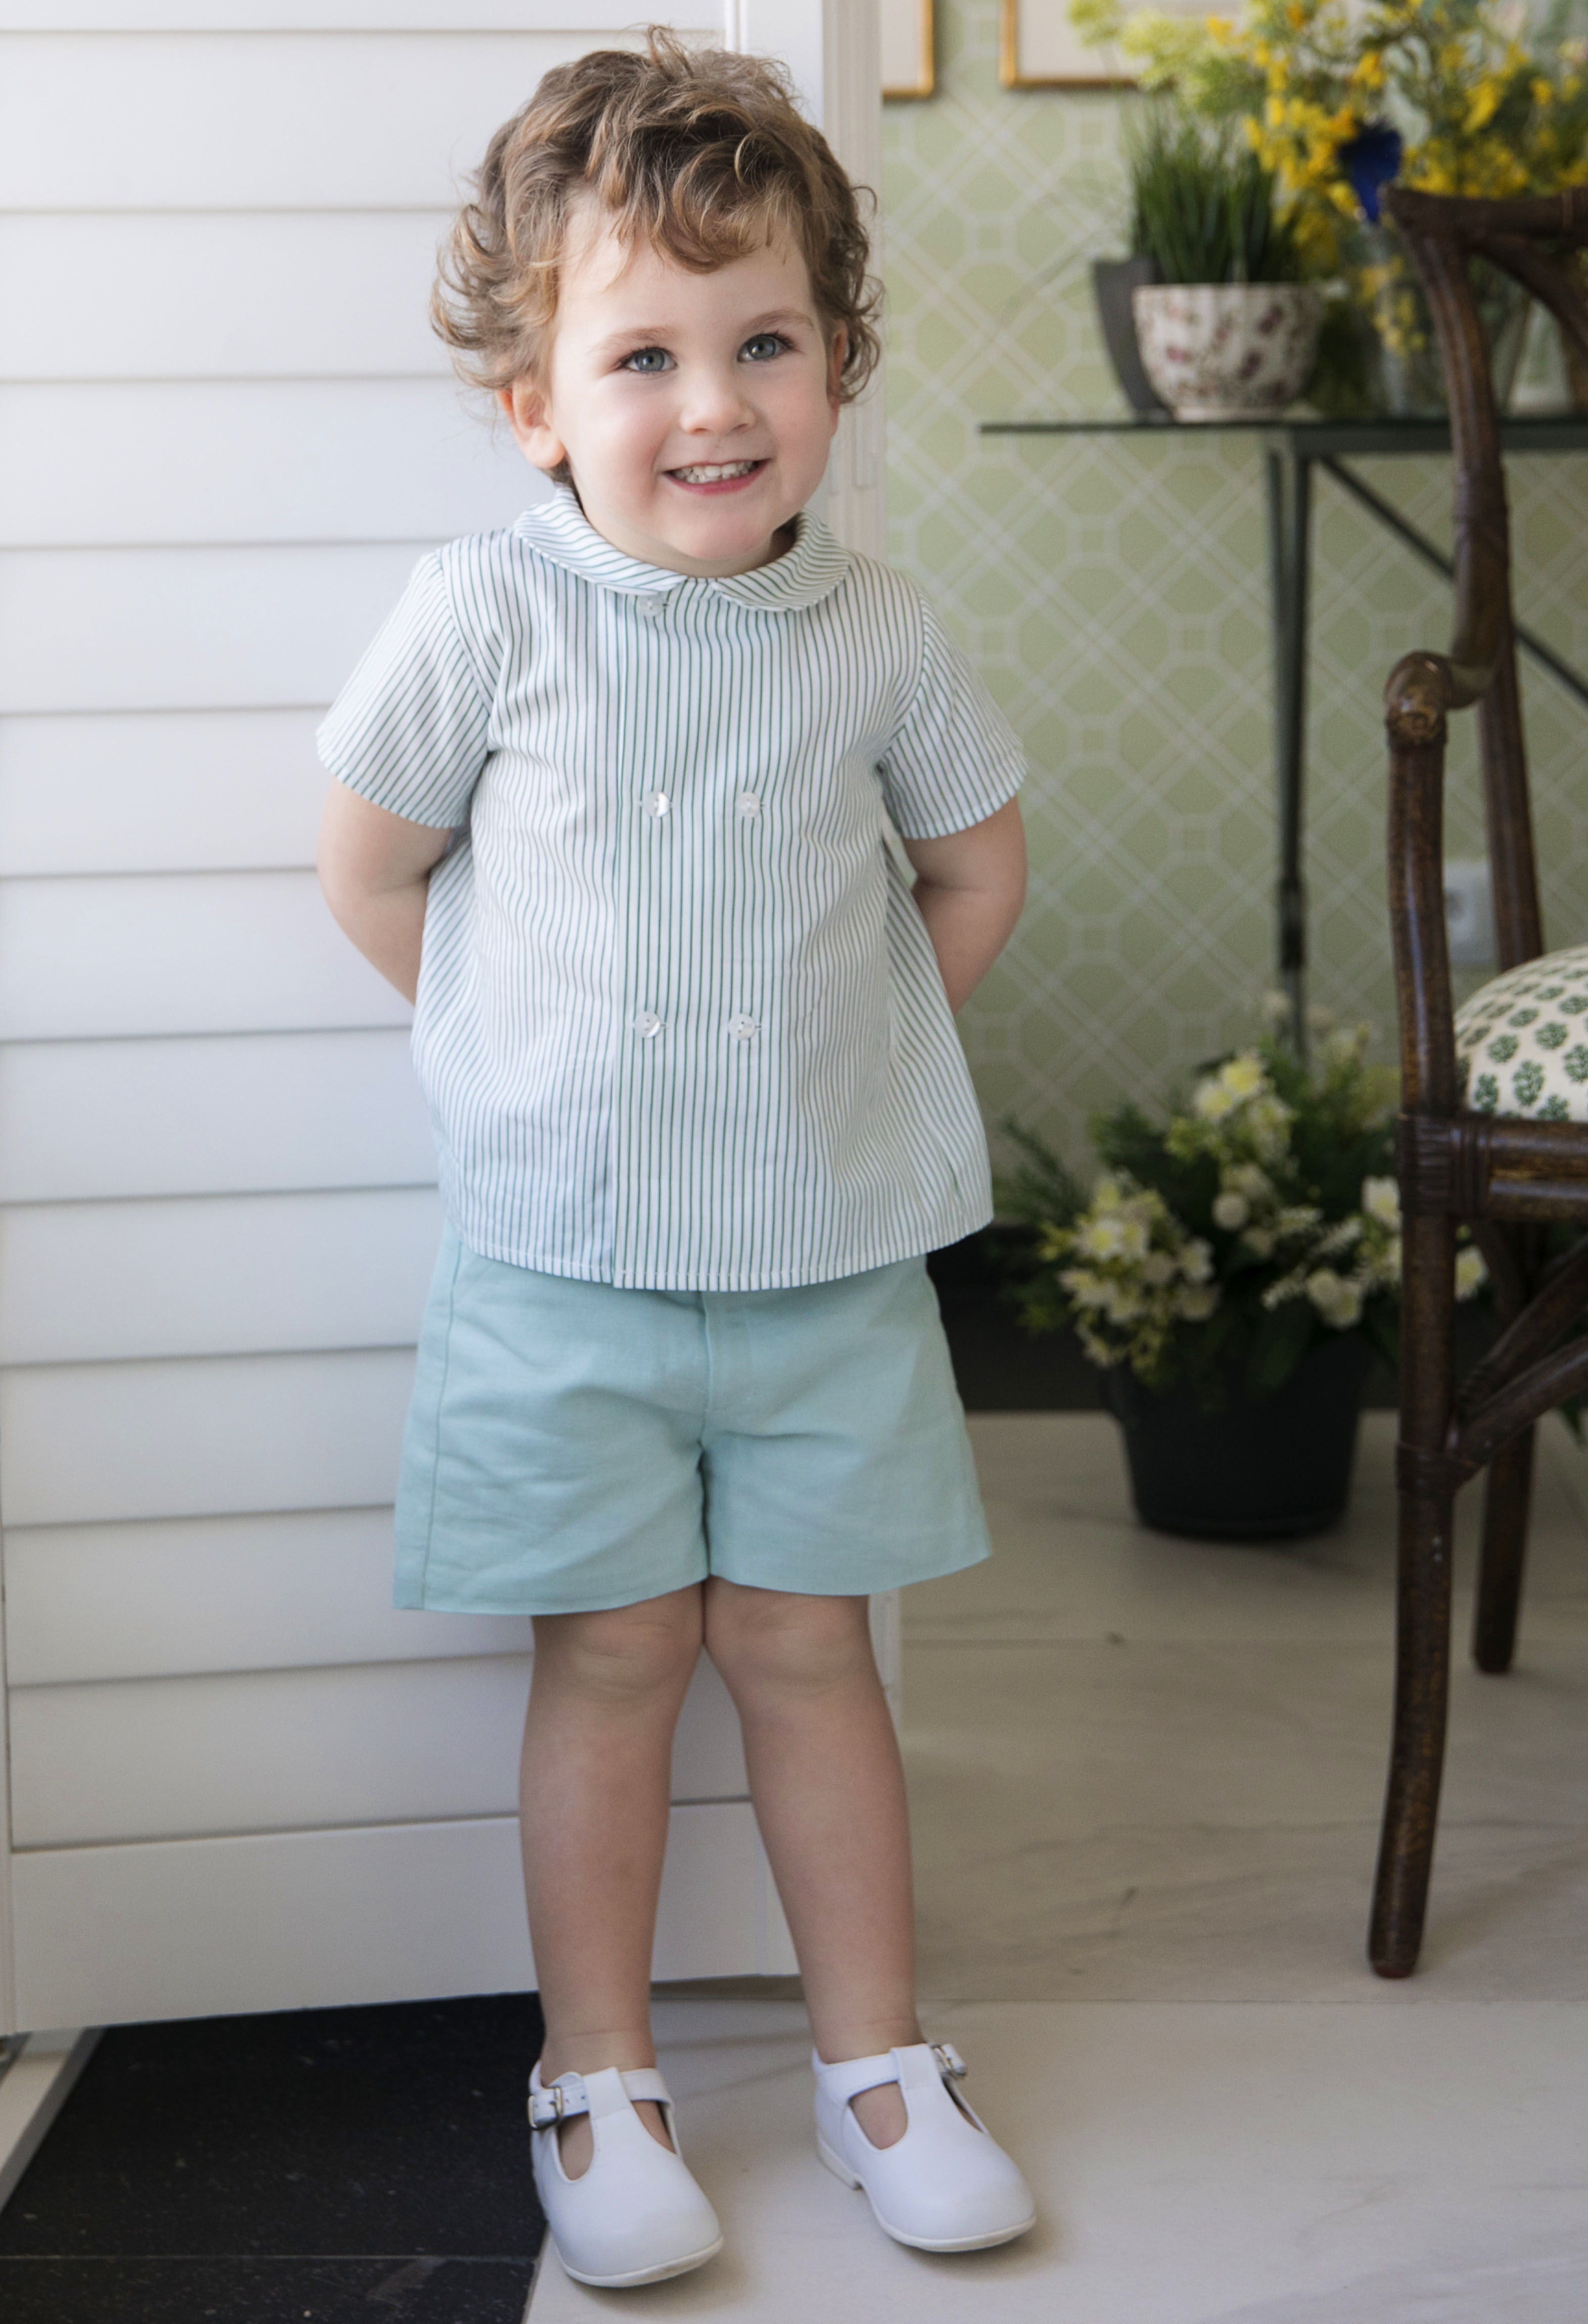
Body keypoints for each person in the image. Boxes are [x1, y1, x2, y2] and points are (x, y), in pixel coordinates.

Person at [316, 29, 1033, 2292]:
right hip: (563, 1271)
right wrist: (509, 1066)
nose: (713, 403)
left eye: (765, 344)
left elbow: (975, 868)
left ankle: (878, 2064)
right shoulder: (487, 613)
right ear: (535, 400)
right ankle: (599, 2076)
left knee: (812, 1654)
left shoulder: (877, 631)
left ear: (834, 362)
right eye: (643, 355)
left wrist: (847, 1063)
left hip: (824, 1265)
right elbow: (371, 865)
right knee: (612, 1662)